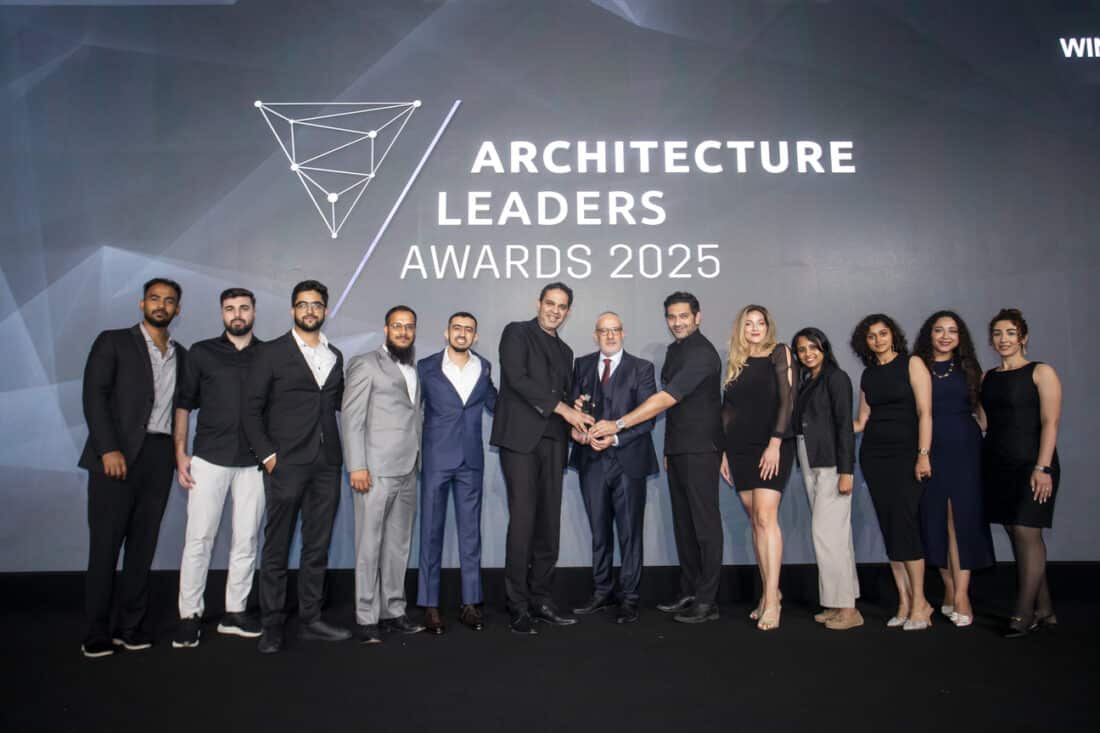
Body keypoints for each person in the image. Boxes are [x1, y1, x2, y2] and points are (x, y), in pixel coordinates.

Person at [590, 292, 724, 624]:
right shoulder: (676, 350)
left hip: (701, 449)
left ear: (698, 317)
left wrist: (619, 423)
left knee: (705, 526)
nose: (677, 322)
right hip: (678, 450)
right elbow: (678, 411)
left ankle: (707, 601)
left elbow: (665, 400)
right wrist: (668, 450)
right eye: (672, 317)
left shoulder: (703, 354)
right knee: (684, 525)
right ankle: (690, 591)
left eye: (684, 316)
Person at [79, 278, 188, 658]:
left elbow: (179, 410)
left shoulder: (181, 354)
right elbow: (94, 395)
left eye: (169, 301)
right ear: (142, 304)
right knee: (105, 548)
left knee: (142, 549)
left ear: (177, 309)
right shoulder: (113, 342)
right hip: (117, 456)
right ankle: (96, 632)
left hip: (158, 458)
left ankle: (131, 627)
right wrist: (108, 448)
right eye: (155, 299)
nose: (161, 305)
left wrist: (178, 454)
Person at [242, 280, 350, 653]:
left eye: (316, 304)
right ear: (292, 310)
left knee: (317, 545)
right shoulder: (270, 352)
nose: (310, 310)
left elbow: (338, 406)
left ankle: (311, 618)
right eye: (303, 304)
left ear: (325, 311)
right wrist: (269, 457)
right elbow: (250, 410)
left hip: (327, 464)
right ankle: (271, 624)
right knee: (277, 546)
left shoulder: (335, 355)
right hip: (285, 464)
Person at [490, 283, 593, 634]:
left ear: (568, 311)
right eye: (550, 303)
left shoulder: (566, 351)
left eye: (562, 306)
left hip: (554, 442)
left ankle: (541, 599)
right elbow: (517, 379)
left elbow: (563, 397)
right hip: (520, 441)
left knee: (549, 524)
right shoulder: (517, 333)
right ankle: (517, 605)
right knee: (523, 521)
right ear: (539, 303)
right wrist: (565, 409)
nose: (555, 311)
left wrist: (576, 418)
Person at [172, 288, 266, 648]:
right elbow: (184, 404)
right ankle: (189, 615)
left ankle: (235, 612)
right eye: (230, 309)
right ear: (222, 313)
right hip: (208, 458)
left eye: (243, 308)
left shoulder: (268, 354)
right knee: (199, 539)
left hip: (254, 463)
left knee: (246, 539)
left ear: (254, 312)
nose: (237, 314)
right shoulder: (202, 352)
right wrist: (180, 453)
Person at [342, 306, 426, 644]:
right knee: (369, 545)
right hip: (374, 470)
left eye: (409, 327)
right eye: (397, 326)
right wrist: (357, 465)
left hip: (408, 467)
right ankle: (366, 617)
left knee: (398, 545)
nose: (403, 332)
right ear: (386, 328)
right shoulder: (365, 363)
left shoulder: (413, 368)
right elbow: (352, 418)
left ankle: (394, 610)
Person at [569, 312, 659, 624]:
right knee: (599, 531)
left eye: (615, 330)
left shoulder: (642, 368)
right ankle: (602, 591)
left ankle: (630, 597)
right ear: (595, 335)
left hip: (628, 461)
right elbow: (574, 411)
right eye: (604, 331)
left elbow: (648, 418)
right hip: (591, 461)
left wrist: (616, 438)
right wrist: (578, 433)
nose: (609, 335)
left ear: (623, 333)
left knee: (630, 533)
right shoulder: (581, 365)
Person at [977, 308, 1062, 638]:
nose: (1004, 339)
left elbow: (1050, 423)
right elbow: (984, 422)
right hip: (998, 463)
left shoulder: (1041, 372)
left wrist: (1043, 467)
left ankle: (1023, 613)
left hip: (1033, 463)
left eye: (1010, 333)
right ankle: (1045, 609)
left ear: (1023, 337)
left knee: (1028, 533)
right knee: (1015, 531)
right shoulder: (987, 377)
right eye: (997, 334)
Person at [850, 314, 934, 630]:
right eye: (871, 336)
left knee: (904, 525)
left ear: (893, 335)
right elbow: (861, 421)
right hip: (874, 457)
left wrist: (923, 455)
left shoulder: (912, 364)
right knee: (890, 527)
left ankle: (921, 603)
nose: (878, 340)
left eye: (883, 333)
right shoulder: (869, 374)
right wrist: (826, 426)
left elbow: (925, 413)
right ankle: (904, 601)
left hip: (907, 455)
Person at [416, 312, 497, 634]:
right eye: (457, 328)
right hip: (436, 458)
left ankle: (470, 604)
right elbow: (411, 411)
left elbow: (498, 405)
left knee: (471, 535)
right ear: (446, 332)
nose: (462, 333)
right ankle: (430, 606)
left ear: (475, 336)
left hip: (471, 461)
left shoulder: (484, 367)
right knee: (430, 533)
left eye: (468, 330)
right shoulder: (425, 367)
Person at [913, 311, 994, 628]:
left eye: (952, 331)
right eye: (939, 330)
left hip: (965, 450)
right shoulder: (917, 366)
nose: (945, 336)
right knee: (936, 520)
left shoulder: (970, 368)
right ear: (929, 334)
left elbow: (983, 415)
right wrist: (921, 453)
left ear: (961, 337)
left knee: (962, 521)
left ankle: (962, 596)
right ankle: (949, 589)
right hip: (929, 449)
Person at [719, 305, 795, 631]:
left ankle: (773, 600)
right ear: (741, 328)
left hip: (772, 445)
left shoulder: (780, 352)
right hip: (739, 448)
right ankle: (769, 591)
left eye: (759, 323)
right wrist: (724, 451)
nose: (754, 328)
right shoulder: (736, 360)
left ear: (767, 326)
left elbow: (787, 400)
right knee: (755, 520)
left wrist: (775, 443)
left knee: (766, 517)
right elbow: (728, 409)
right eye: (748, 323)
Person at [791, 327, 862, 631]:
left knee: (827, 535)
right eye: (802, 349)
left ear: (824, 348)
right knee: (835, 537)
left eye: (813, 347)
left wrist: (847, 471)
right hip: (811, 460)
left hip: (832, 464)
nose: (807, 354)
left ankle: (848, 610)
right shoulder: (808, 380)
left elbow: (844, 426)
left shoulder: (836, 378)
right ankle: (838, 603)